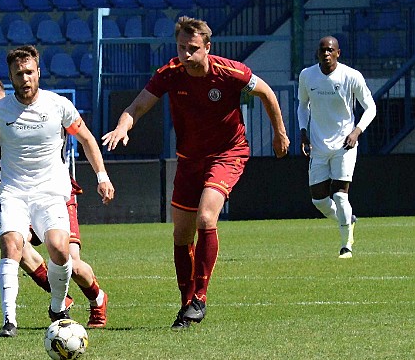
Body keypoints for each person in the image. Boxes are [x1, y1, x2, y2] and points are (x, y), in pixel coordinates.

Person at [102, 16, 290, 330]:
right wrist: (123, 126)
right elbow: (136, 107)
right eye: (181, 48)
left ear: (207, 48)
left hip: (227, 153)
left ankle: (200, 297)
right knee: (181, 234)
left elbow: (267, 93)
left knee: (206, 218)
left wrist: (280, 134)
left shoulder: (231, 71)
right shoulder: (170, 74)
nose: (186, 55)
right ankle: (185, 304)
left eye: (192, 49)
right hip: (189, 159)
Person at [0, 46, 114, 336]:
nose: (24, 78)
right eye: (18, 74)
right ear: (10, 77)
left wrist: (102, 176)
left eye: (28, 72)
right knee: (13, 247)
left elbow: (85, 138)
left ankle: (83, 300)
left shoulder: (58, 106)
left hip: (53, 192)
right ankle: (10, 321)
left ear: (38, 72)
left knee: (64, 255)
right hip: (15, 194)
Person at [297, 36, 375, 259]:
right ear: (317, 53)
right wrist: (303, 132)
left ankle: (346, 246)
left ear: (338, 53)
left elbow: (370, 107)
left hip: (345, 144)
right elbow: (303, 105)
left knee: (341, 197)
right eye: (322, 50)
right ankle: (347, 219)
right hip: (318, 146)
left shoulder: (351, 76)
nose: (326, 54)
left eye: (330, 50)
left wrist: (356, 131)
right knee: (319, 201)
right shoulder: (307, 75)